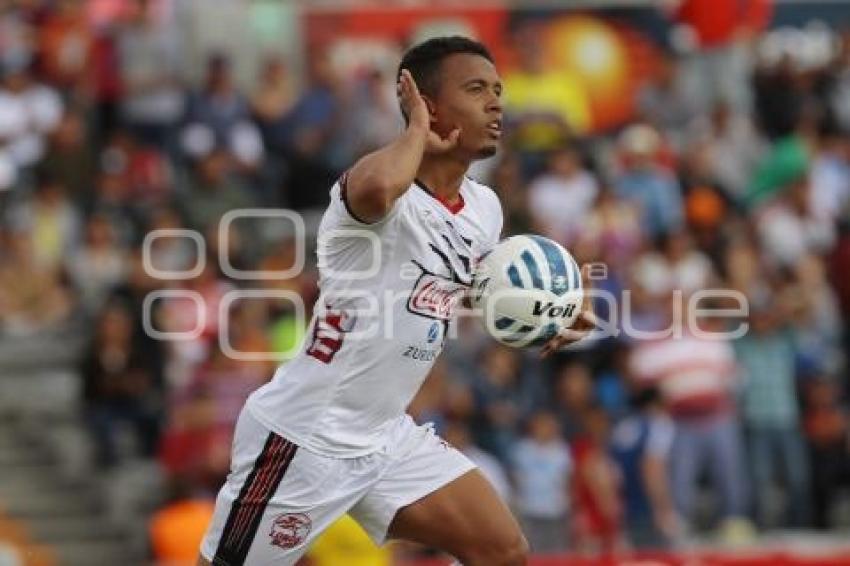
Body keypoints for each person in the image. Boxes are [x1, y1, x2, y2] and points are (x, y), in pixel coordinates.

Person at [197, 36, 592, 566]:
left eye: (497, 90)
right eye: (476, 90)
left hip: (385, 437)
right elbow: (379, 190)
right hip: (306, 437)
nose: (496, 102)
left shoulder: (484, 209)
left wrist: (545, 314)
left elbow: (460, 289)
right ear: (427, 105)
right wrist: (414, 132)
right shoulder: (374, 184)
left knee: (503, 551)